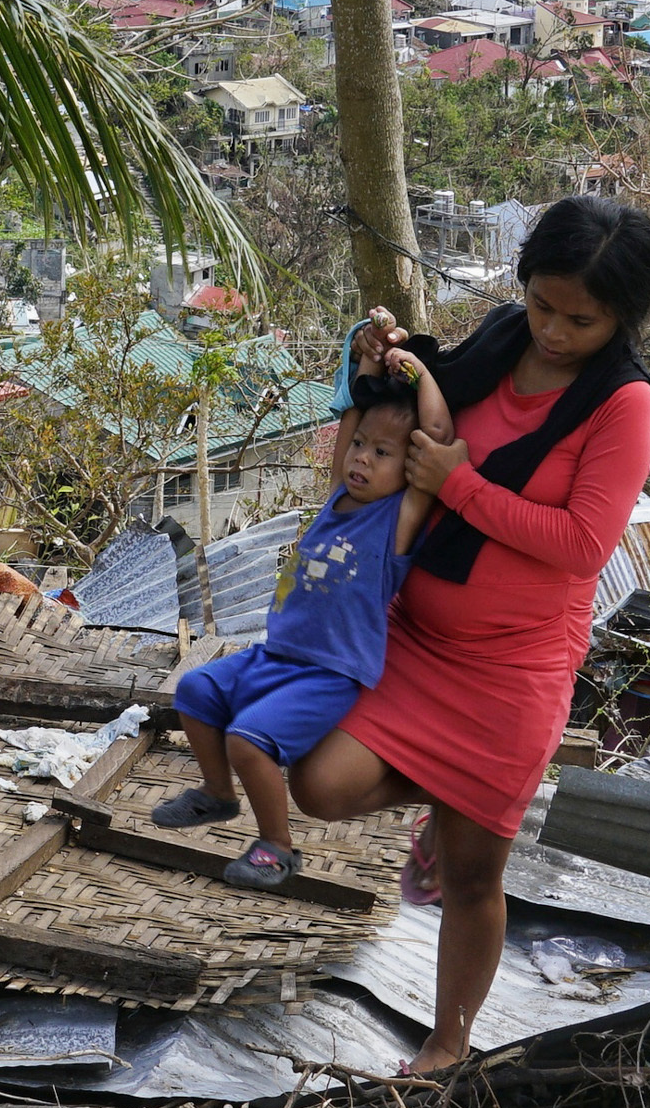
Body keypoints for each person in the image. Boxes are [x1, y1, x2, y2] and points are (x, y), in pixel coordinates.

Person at [291, 196, 650, 1077]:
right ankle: (444, 806)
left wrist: (463, 483)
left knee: (476, 881)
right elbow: (404, 440)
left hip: (513, 671)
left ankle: (448, 1042)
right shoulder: (497, 341)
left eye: (579, 319)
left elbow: (585, 545)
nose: (553, 330)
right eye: (543, 304)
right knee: (318, 783)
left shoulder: (624, 405)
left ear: (622, 317)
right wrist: (383, 370)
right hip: (413, 636)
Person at [152, 356, 452, 890]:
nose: (361, 458)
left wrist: (422, 375)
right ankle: (217, 794)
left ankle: (277, 848)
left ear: (408, 467)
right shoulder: (340, 495)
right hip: (275, 655)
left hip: (329, 674)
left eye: (381, 453)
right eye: (360, 444)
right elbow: (351, 412)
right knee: (194, 691)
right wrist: (365, 356)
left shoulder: (397, 521)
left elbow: (437, 434)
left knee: (249, 741)